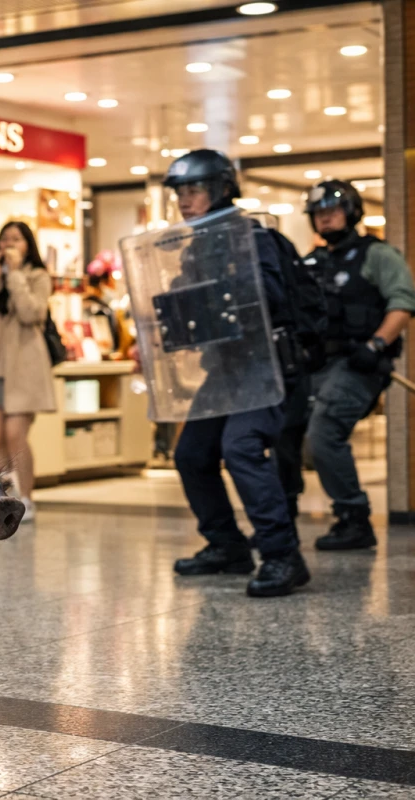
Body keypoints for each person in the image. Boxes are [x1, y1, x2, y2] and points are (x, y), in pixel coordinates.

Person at [163, 149, 308, 597]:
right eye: (180, 192)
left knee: (241, 448)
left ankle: (283, 556)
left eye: (195, 190)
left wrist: (219, 297)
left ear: (222, 189)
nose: (185, 200)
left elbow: (270, 298)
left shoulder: (252, 237)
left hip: (266, 367)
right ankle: (227, 546)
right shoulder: (196, 247)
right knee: (191, 454)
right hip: (224, 369)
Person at [290, 181, 415, 550]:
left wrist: (376, 344)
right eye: (318, 214)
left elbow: (403, 303)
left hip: (359, 363)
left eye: (332, 211)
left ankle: (354, 518)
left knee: (325, 431)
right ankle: (279, 517)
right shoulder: (312, 262)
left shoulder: (377, 255)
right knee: (283, 429)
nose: (325, 218)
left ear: (351, 212)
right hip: (317, 364)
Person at [0, 220, 56, 521]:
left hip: (24, 371)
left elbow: (32, 312)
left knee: (16, 434)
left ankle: (27, 498)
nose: (9, 245)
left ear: (28, 245)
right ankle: (0, 498)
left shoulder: (38, 276)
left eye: (16, 239)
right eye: (5, 239)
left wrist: (15, 275)